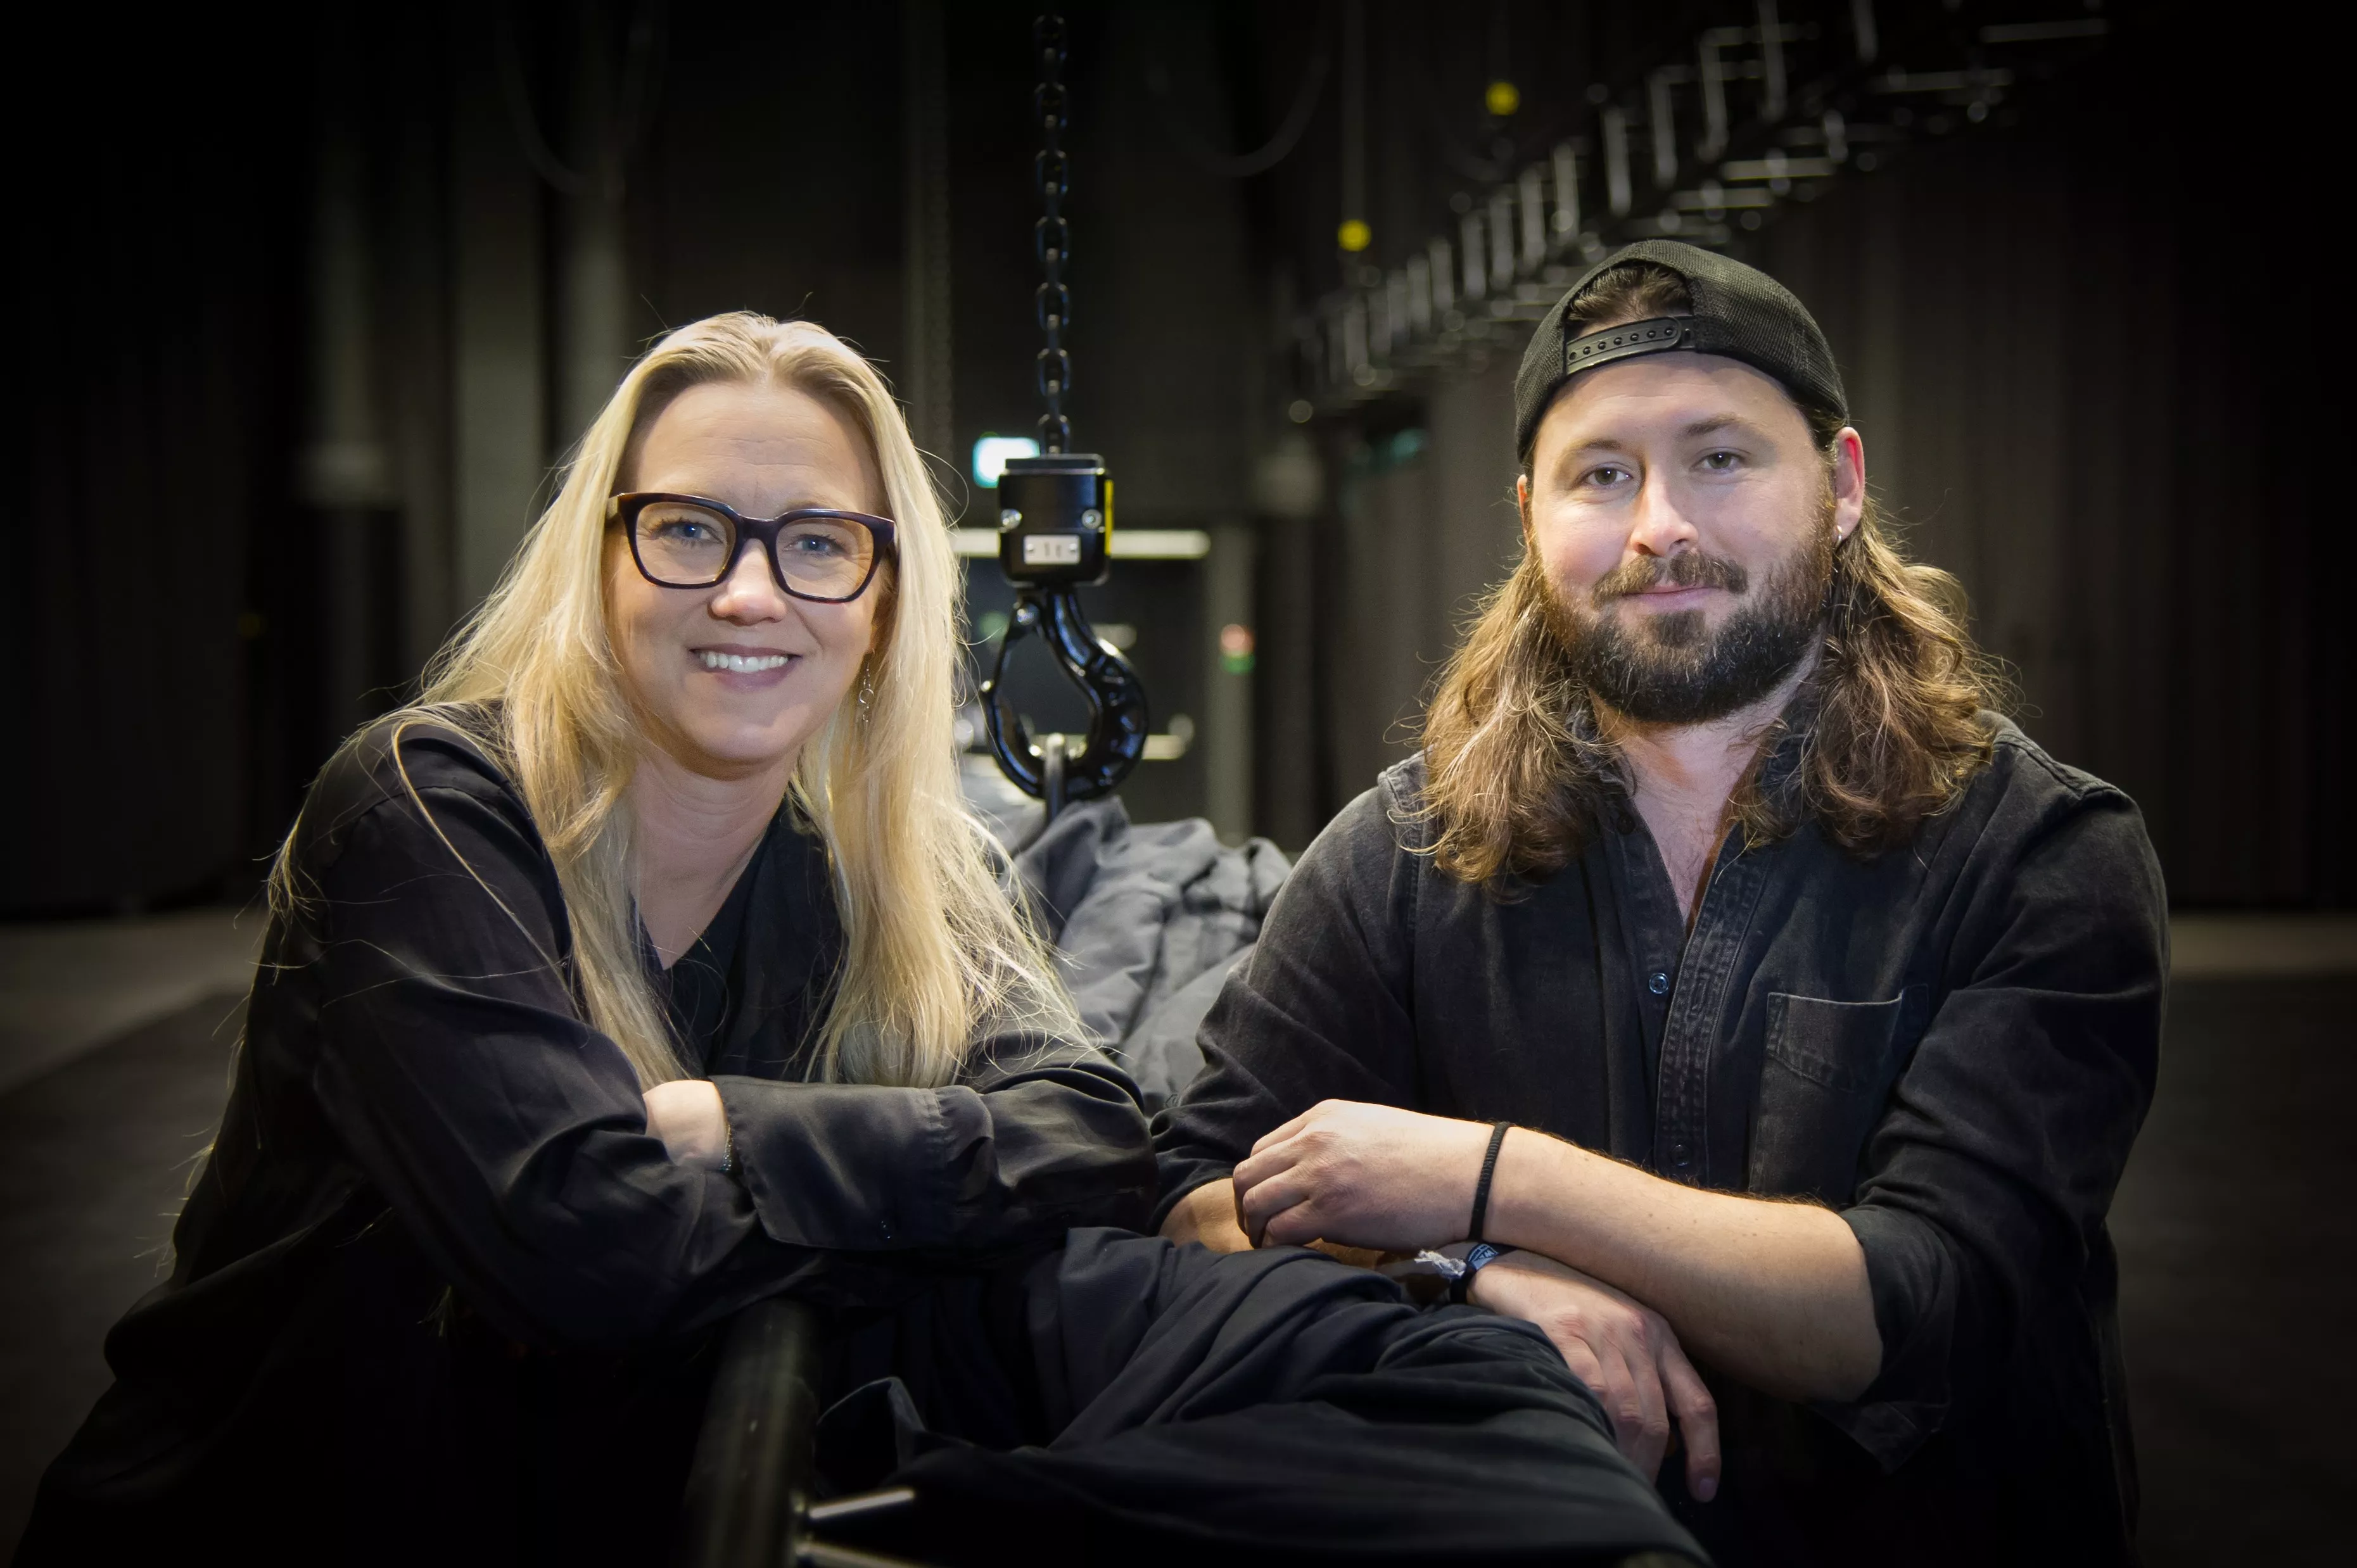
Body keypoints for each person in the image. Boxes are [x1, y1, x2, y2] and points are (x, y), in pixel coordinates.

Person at [22, 313, 1703, 1567]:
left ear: (885, 593)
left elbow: (1088, 1132)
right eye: (691, 528)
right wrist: (924, 1189)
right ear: (599, 557)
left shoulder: (884, 877)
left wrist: (732, 1133)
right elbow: (585, 1250)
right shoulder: (427, 806)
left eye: (818, 542)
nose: (752, 593)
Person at [1156, 241, 2164, 1566]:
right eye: (1603, 473)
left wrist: (1488, 1179)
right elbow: (1191, 1204)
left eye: (1722, 458)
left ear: (1842, 487)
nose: (1658, 526)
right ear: (1529, 515)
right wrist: (1460, 1267)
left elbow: (1917, 1305)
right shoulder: (1401, 853)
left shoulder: (2041, 854)